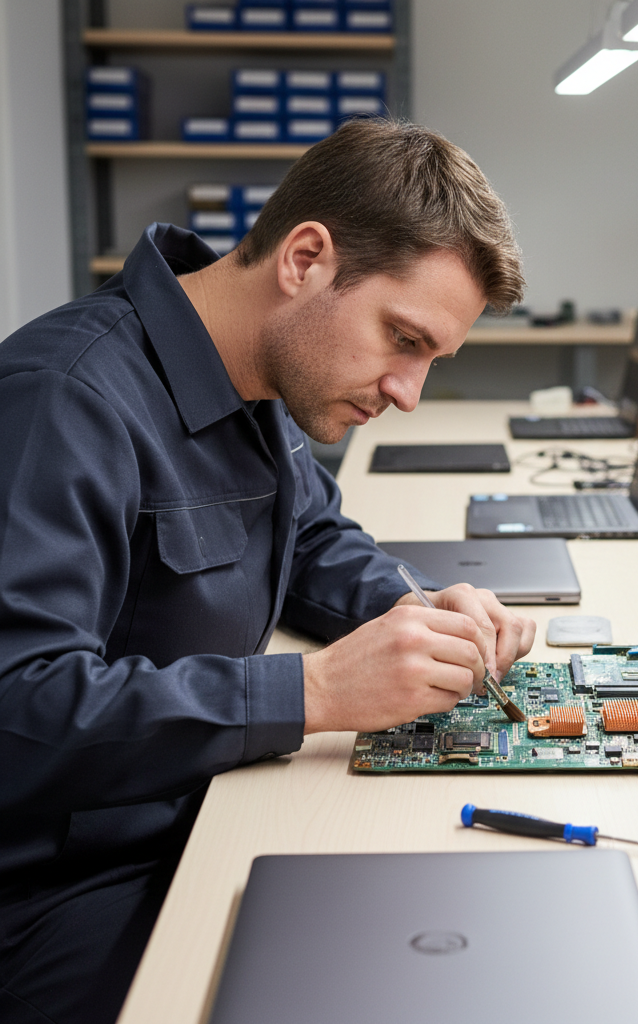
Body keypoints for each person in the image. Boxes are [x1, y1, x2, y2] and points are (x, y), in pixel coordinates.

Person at [0, 118, 536, 1024]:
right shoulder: (65, 400)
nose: (408, 393)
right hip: (58, 889)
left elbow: (314, 542)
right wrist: (314, 692)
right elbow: (20, 709)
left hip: (190, 813)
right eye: (403, 340)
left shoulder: (256, 376)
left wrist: (422, 614)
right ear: (306, 259)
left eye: (432, 361)